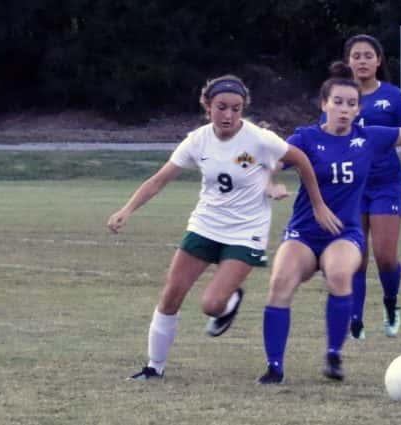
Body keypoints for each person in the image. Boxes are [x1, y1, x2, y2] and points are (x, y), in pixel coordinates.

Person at [258, 62, 401, 384]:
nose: (344, 109)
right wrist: (270, 186)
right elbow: (272, 164)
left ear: (358, 110)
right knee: (280, 282)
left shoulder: (369, 138)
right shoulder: (305, 138)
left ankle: (334, 356)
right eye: (337, 102)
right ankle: (275, 367)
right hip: (305, 232)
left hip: (344, 233)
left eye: (351, 104)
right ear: (324, 104)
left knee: (339, 273)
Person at [107, 75, 341, 381]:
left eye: (236, 108)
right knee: (171, 294)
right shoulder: (197, 140)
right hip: (205, 225)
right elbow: (160, 179)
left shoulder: (259, 139)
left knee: (211, 305)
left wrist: (317, 204)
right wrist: (127, 209)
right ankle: (154, 368)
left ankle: (230, 300)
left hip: (246, 232)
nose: (229, 115)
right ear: (207, 106)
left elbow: (302, 161)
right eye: (221, 107)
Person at [340, 34, 401, 340]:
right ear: (348, 61)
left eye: (367, 55)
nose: (361, 61)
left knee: (385, 255)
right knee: (356, 256)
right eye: (356, 55)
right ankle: (355, 320)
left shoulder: (392, 97)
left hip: (386, 185)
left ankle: (391, 304)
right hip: (352, 188)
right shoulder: (339, 96)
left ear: (378, 60)